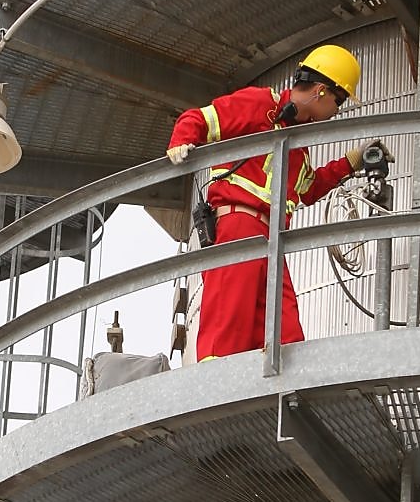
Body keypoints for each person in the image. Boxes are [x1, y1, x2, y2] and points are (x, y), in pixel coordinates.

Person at [166, 44, 388, 361]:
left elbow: (308, 189)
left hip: (272, 241)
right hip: (239, 226)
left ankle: (283, 396)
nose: (337, 111)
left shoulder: (297, 147)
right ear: (322, 92)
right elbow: (199, 118)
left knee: (285, 333)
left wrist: (352, 161)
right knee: (229, 324)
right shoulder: (260, 104)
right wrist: (181, 140)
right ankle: (217, 392)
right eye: (338, 101)